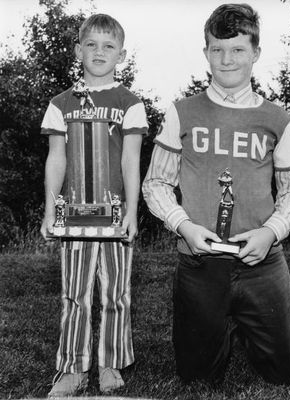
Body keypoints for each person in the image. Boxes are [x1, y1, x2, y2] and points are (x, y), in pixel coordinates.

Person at [142, 3, 290, 385]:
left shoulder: (277, 118)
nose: (226, 59)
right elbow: (156, 183)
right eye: (217, 49)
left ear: (255, 53)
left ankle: (245, 321)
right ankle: (217, 324)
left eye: (237, 49)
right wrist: (183, 226)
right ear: (205, 53)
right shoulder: (181, 112)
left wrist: (270, 232)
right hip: (199, 261)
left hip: (262, 261)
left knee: (282, 373)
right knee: (198, 377)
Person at [40, 14, 148, 396]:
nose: (99, 52)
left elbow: (131, 161)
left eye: (108, 46)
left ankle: (111, 363)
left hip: (116, 215)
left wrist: (133, 210)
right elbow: (57, 158)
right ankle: (72, 368)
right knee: (75, 292)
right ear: (78, 50)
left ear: (120, 54)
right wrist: (50, 208)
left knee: (117, 291)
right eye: (91, 44)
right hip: (74, 216)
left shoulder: (130, 103)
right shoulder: (60, 104)